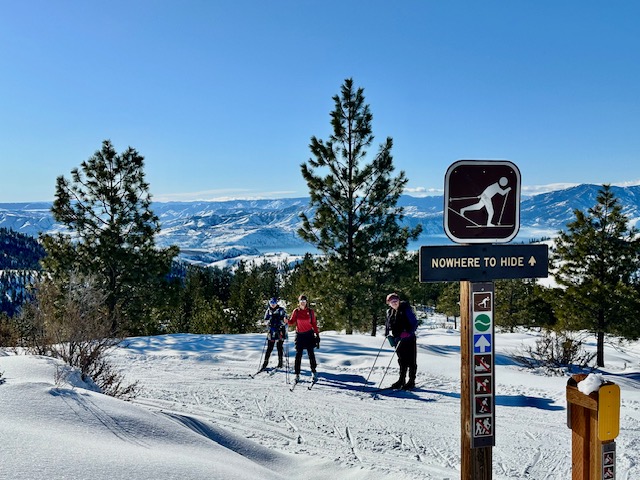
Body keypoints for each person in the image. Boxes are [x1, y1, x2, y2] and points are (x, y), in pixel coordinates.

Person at [385, 292, 418, 390]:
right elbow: (387, 324)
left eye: (396, 301)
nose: (394, 303)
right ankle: (401, 380)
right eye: (392, 302)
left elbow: (415, 323)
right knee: (401, 360)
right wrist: (387, 334)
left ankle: (411, 381)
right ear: (389, 303)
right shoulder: (390, 312)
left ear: (399, 300)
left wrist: (408, 332)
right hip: (397, 339)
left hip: (409, 338)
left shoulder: (406, 309)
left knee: (411, 360)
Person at [288, 294, 320, 383]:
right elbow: (292, 322)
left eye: (304, 301)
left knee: (311, 354)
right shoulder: (296, 311)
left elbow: (314, 323)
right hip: (299, 335)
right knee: (298, 355)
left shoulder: (310, 312)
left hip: (309, 335)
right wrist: (287, 321)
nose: (302, 302)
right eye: (301, 301)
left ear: (306, 302)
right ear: (299, 302)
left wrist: (317, 334)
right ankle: (297, 374)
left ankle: (314, 372)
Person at [261, 297, 288, 370]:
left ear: (277, 303)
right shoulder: (268, 311)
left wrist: (281, 323)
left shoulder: (281, 310)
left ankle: (280, 363)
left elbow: (286, 320)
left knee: (279, 347)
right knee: (269, 348)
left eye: (274, 303)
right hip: (272, 331)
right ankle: (265, 363)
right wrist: (268, 322)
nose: (273, 304)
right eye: (271, 303)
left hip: (280, 331)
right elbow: (265, 320)